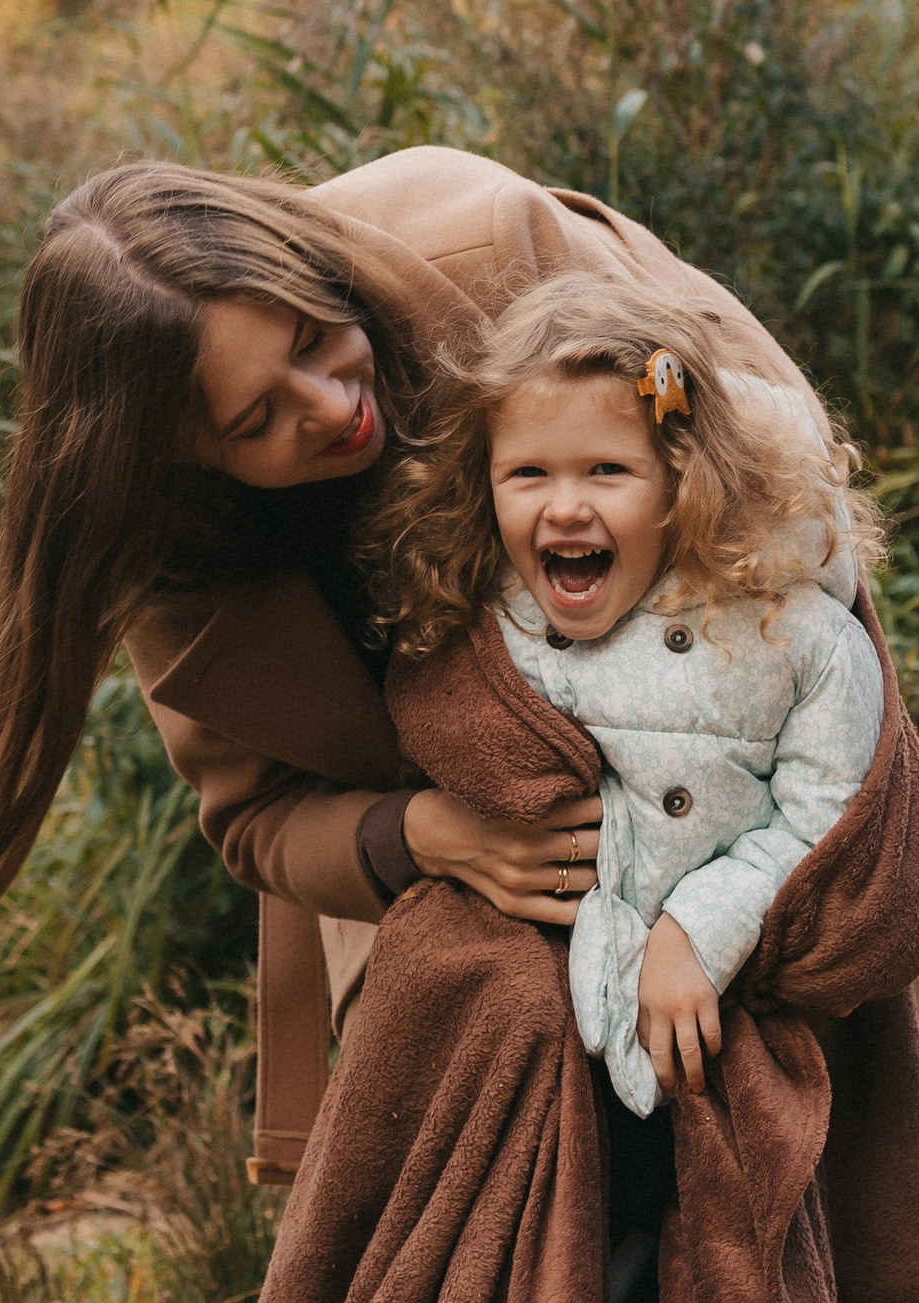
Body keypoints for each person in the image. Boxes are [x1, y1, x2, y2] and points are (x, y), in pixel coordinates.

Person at [0, 143, 839, 1173]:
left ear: (306, 270)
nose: (327, 406)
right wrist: (425, 834)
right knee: (479, 1147)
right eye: (256, 419)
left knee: (769, 1137)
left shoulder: (499, 253)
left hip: (727, 760)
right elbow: (256, 816)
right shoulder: (170, 549)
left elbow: (783, 496)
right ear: (180, 456)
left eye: (316, 341)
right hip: (440, 873)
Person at [368, 272, 883, 1127]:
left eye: (608, 470)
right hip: (546, 1036)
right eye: (527, 472)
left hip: (722, 1016)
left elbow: (831, 815)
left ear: (685, 478)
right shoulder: (482, 626)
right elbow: (442, 738)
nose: (566, 506)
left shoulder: (794, 636)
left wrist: (699, 929)